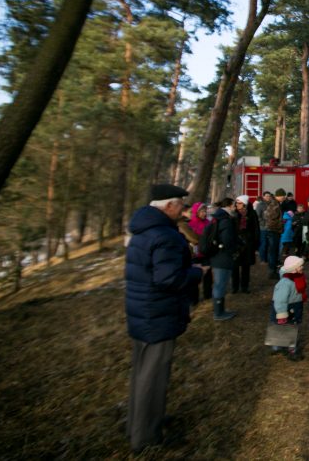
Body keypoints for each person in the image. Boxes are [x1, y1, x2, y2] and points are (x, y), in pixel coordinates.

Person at [124, 184, 203, 453]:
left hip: (143, 313)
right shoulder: (164, 236)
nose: (184, 209)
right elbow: (169, 279)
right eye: (181, 204)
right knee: (153, 378)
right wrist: (197, 273)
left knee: (142, 373)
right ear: (168, 206)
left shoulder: (143, 230)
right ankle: (146, 437)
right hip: (157, 314)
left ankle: (140, 422)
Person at [205, 198, 238, 321]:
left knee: (219, 284)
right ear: (229, 206)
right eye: (234, 205)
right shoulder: (226, 221)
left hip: (217, 256)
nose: (235, 208)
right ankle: (218, 313)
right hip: (222, 257)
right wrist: (234, 249)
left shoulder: (217, 218)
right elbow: (227, 240)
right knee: (220, 285)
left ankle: (220, 310)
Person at [271, 255, 308, 361]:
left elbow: (299, 291)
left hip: (294, 306)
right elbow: (280, 299)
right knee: (288, 327)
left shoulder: (297, 278)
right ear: (293, 269)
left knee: (291, 326)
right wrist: (282, 314)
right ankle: (290, 350)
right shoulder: (285, 283)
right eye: (300, 266)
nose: (302, 268)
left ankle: (278, 346)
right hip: (284, 308)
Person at [232, 195, 260, 293]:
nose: (237, 205)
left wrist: (256, 243)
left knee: (246, 266)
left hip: (248, 243)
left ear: (244, 204)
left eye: (239, 203)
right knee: (234, 266)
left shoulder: (252, 214)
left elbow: (256, 229)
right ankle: (234, 287)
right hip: (236, 243)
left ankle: (244, 286)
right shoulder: (234, 214)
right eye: (236, 203)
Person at [188, 202, 213, 303]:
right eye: (202, 211)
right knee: (194, 278)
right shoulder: (190, 223)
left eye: (205, 211)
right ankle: (194, 299)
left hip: (206, 253)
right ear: (196, 212)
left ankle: (208, 295)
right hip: (195, 254)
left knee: (208, 276)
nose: (204, 213)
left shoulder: (208, 222)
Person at [263, 188, 286, 275]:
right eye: (283, 196)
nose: (284, 197)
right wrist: (279, 225)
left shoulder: (275, 204)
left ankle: (273, 269)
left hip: (274, 230)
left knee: (274, 251)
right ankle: (272, 271)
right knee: (273, 251)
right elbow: (270, 218)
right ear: (279, 196)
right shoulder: (275, 205)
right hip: (273, 231)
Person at [255, 191, 272, 265]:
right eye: (266, 196)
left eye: (269, 196)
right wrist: (264, 223)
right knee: (263, 244)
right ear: (263, 197)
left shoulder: (272, 204)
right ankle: (262, 259)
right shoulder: (260, 205)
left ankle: (268, 259)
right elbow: (258, 216)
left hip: (272, 227)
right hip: (263, 228)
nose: (268, 197)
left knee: (270, 244)